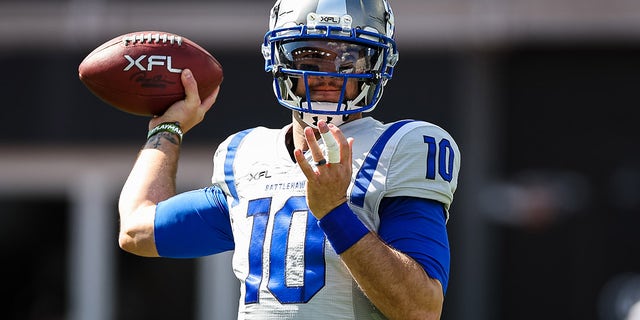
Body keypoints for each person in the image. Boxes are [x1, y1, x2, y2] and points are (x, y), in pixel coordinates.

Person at [117, 0, 461, 319]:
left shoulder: (403, 146)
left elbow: (421, 308)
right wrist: (166, 128)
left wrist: (335, 212)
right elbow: (136, 231)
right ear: (279, 59)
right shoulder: (247, 155)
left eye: (349, 56)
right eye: (308, 58)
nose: (329, 73)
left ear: (376, 63)